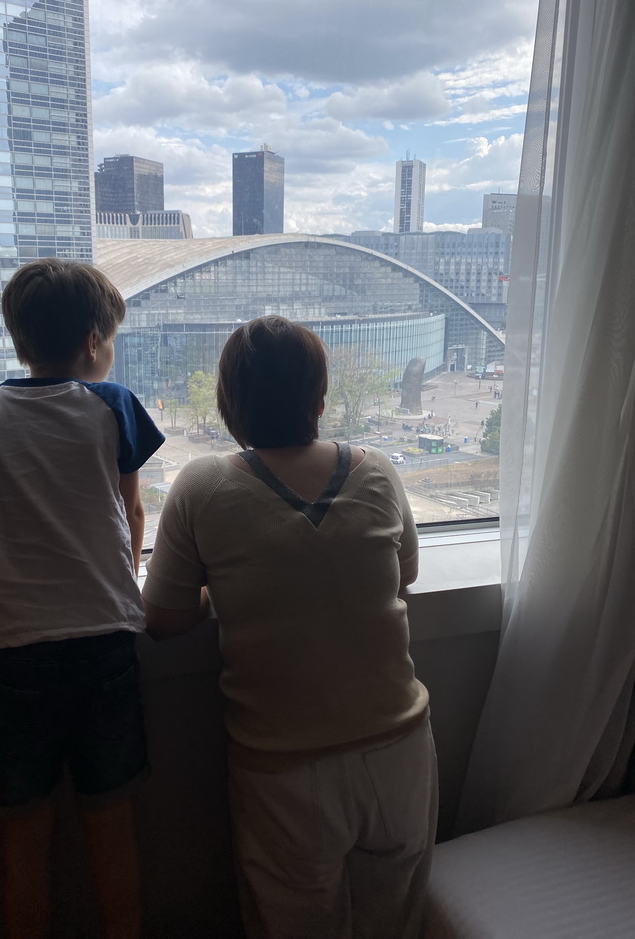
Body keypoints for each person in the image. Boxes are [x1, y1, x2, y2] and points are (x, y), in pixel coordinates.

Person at [143, 316, 437, 939]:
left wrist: (215, 590)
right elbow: (403, 574)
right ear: (322, 400)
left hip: (284, 769)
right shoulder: (379, 470)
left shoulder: (202, 486)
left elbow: (163, 619)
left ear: (227, 406)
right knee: (398, 921)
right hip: (400, 750)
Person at [0, 258, 165, 939]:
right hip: (100, 638)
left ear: (20, 342)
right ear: (90, 341)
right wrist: (127, 573)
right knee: (111, 825)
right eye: (110, 338)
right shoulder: (113, 405)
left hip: (9, 646)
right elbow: (131, 514)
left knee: (24, 836)